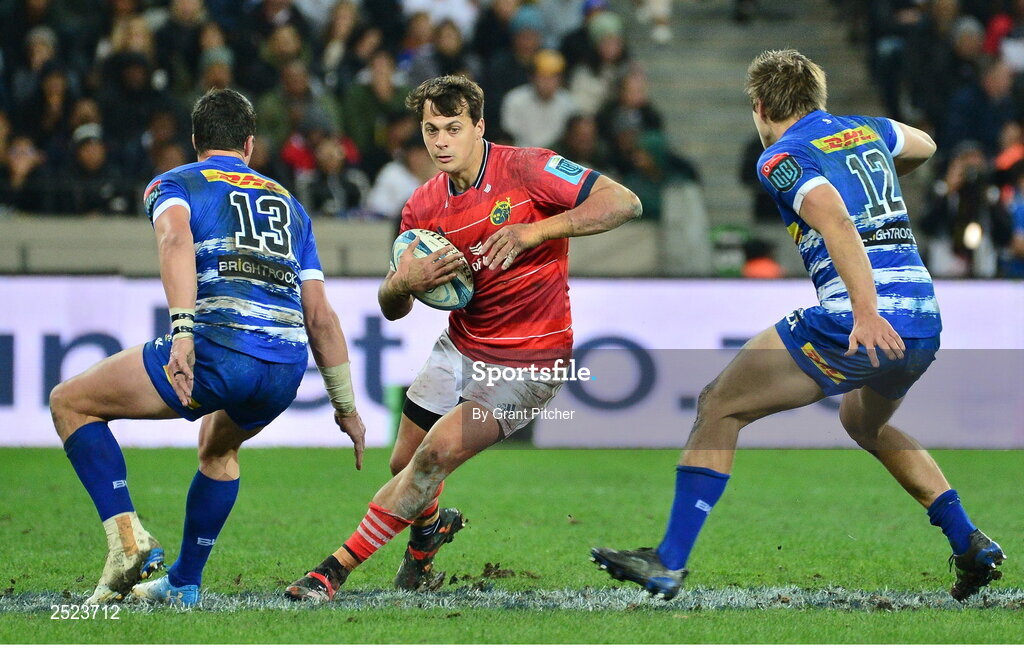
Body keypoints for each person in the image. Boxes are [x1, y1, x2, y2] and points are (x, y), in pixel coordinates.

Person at [590, 49, 1005, 603]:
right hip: (924, 319)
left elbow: (833, 220)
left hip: (859, 318)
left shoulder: (780, 156)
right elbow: (925, 145)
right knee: (865, 423)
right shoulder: (862, 130)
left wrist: (863, 312)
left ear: (760, 107)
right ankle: (969, 541)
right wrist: (871, 168)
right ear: (817, 98)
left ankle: (668, 560)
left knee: (719, 406)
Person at [285, 74, 641, 601]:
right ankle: (427, 544)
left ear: (479, 126)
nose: (441, 142)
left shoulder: (527, 168)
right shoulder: (422, 208)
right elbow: (393, 308)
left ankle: (331, 571)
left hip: (529, 362)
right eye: (431, 130)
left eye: (454, 128)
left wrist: (535, 231)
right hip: (462, 345)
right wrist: (403, 282)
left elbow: (625, 202)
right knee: (403, 465)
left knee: (433, 458)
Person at [48, 88, 366, 607]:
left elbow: (175, 242)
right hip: (285, 369)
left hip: (221, 348)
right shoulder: (290, 204)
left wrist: (183, 331)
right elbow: (321, 317)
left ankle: (127, 544)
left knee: (71, 402)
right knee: (219, 449)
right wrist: (346, 407)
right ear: (250, 144)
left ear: (196, 141)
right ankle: (183, 583)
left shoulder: (174, 182)